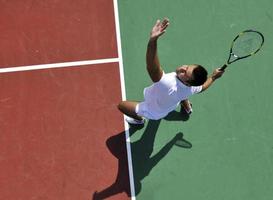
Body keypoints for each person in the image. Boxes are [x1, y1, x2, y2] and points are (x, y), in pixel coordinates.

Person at [118, 18, 225, 125]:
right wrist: (214, 77)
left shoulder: (168, 83)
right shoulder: (193, 86)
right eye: (187, 67)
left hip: (154, 110)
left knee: (122, 106)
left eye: (185, 73)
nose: (182, 68)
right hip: (172, 102)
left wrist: (153, 40)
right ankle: (187, 105)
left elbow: (152, 68)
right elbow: (202, 87)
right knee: (182, 94)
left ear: (188, 82)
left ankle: (139, 120)